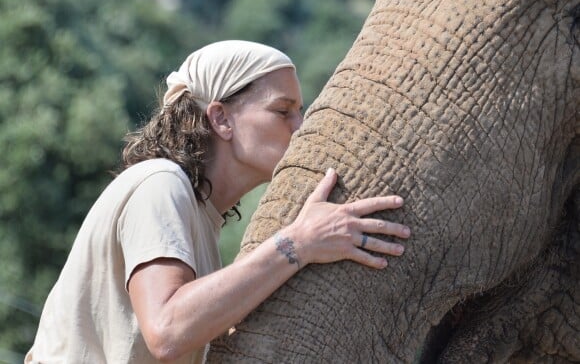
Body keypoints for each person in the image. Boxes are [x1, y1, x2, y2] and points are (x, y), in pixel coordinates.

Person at [26, 40, 411, 364]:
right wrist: (300, 242)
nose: (300, 126)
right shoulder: (161, 184)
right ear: (221, 119)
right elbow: (168, 330)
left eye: (300, 111)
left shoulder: (201, 217)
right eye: (283, 111)